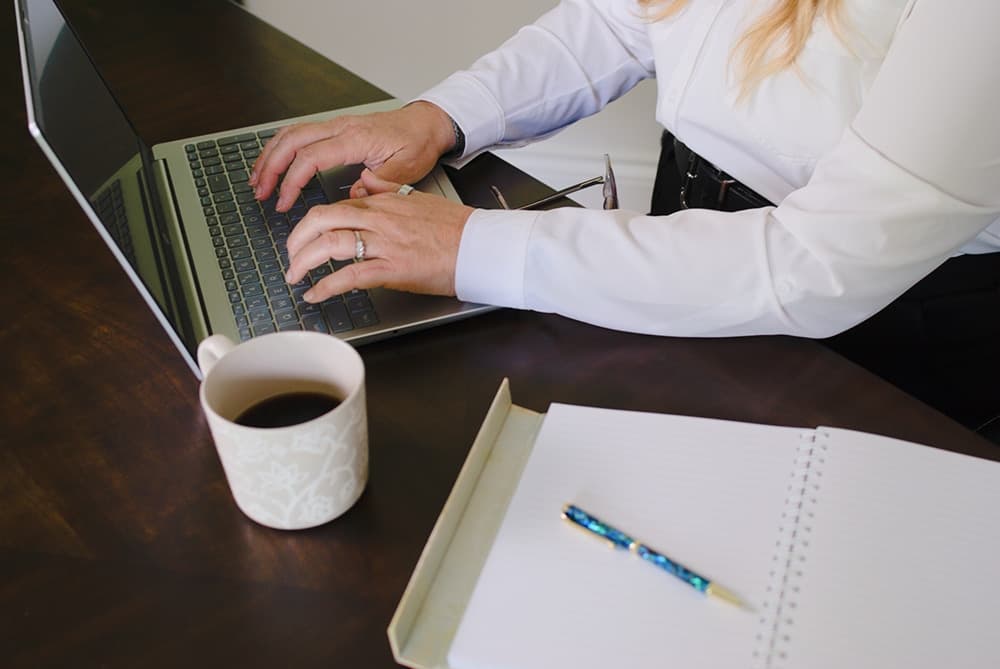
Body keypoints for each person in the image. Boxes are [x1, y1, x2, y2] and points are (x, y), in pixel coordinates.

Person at [250, 0, 1000, 432]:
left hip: (895, 337)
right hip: (683, 241)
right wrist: (439, 116)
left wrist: (473, 247)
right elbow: (621, 22)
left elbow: (820, 264)